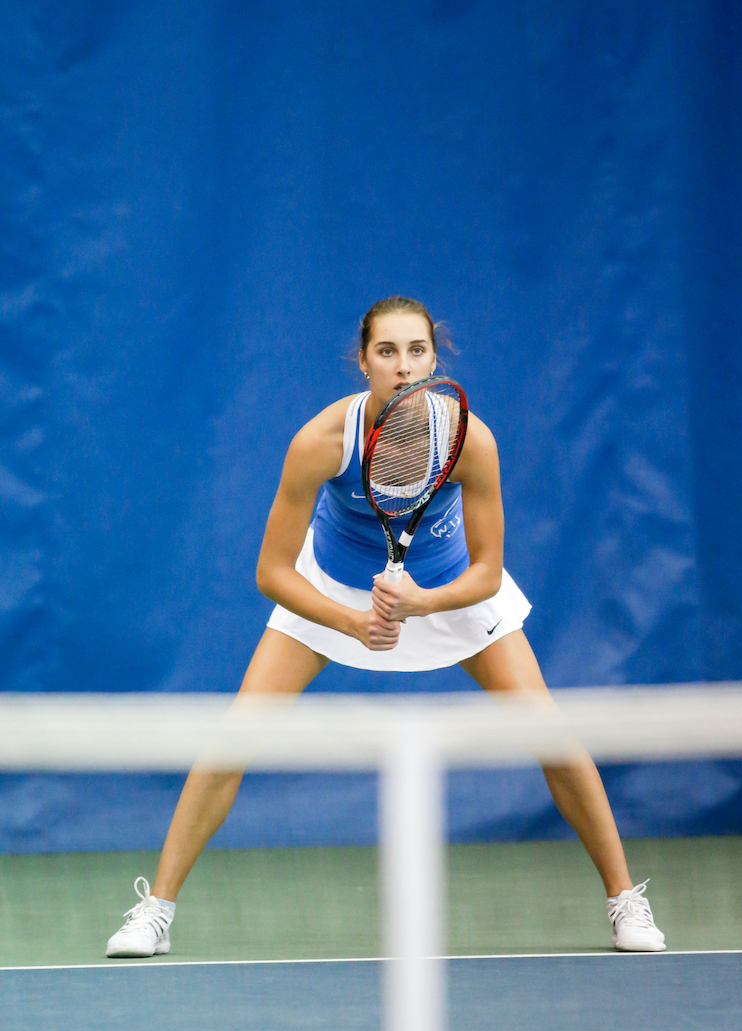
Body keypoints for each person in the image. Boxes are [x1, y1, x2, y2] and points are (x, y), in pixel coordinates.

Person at [106, 296, 665, 957]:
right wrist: (349, 620)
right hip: (333, 587)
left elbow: (487, 570)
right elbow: (271, 572)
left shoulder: (469, 440)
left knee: (552, 735)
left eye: (418, 351)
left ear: (436, 357)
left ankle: (625, 901)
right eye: (388, 352)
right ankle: (155, 910)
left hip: (448, 589)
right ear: (363, 361)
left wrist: (424, 604)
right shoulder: (320, 443)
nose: (404, 368)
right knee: (234, 738)